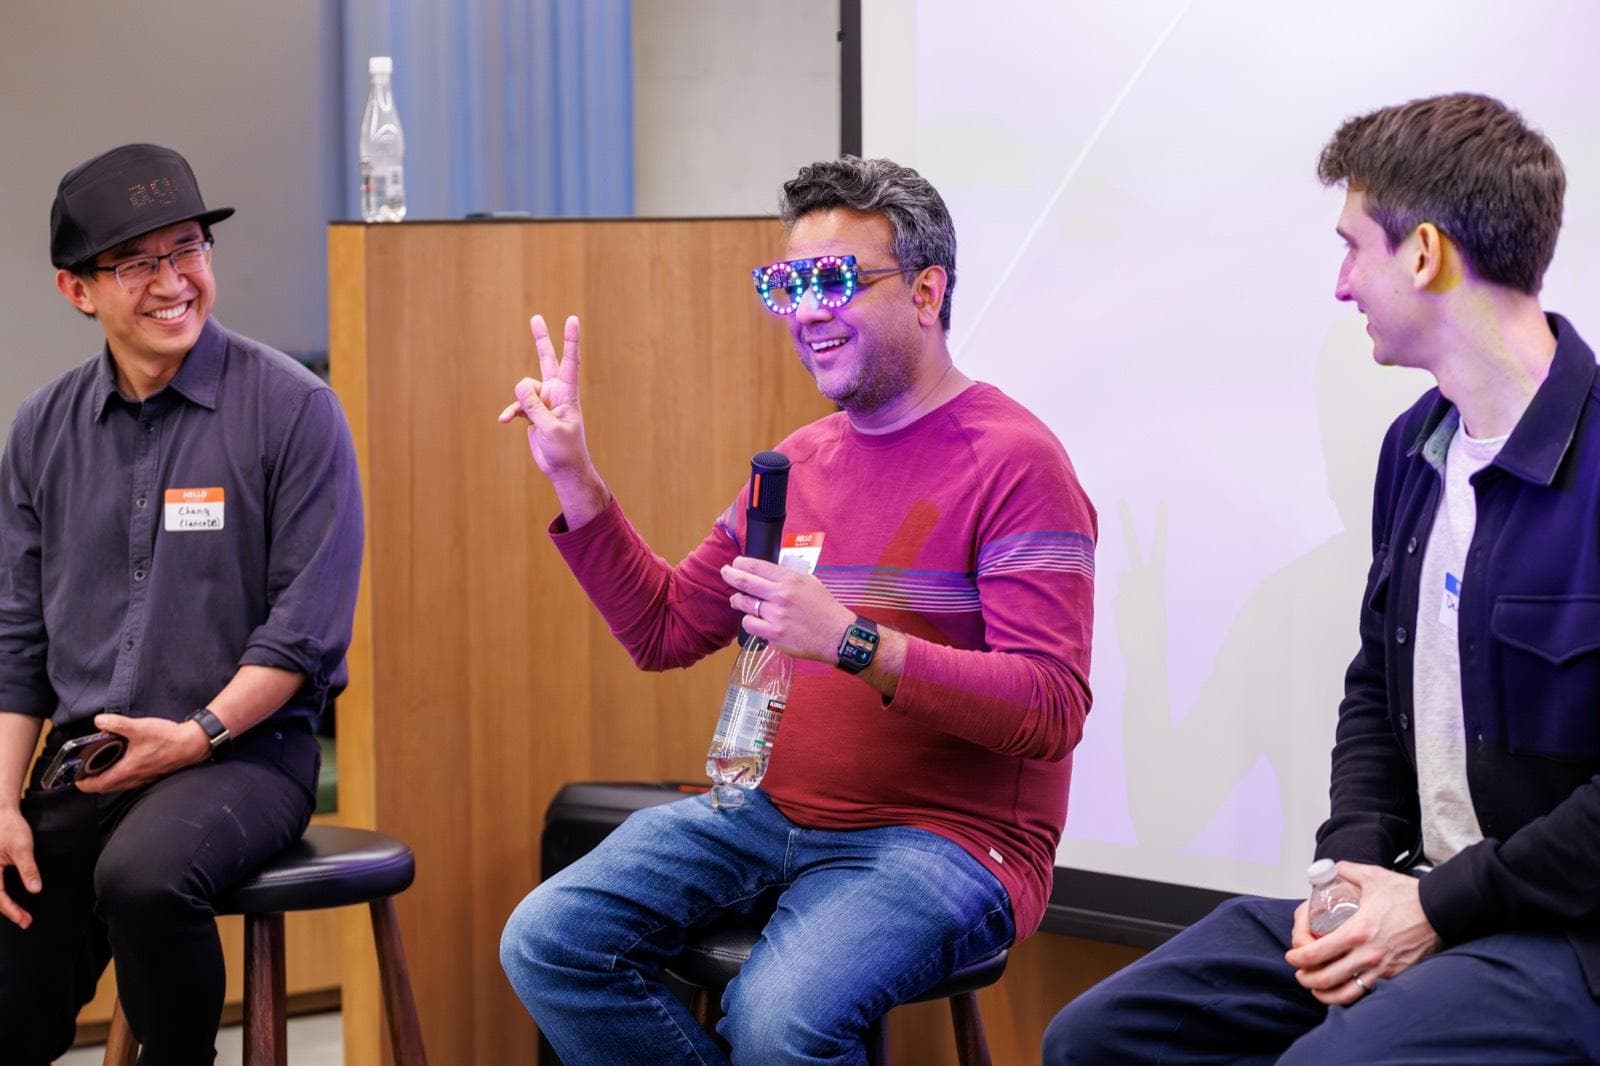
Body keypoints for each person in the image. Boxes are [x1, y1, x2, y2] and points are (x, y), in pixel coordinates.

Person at [496, 156, 1097, 1063]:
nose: (806, 311)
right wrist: (577, 481)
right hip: (764, 813)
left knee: (779, 1021)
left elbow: (1050, 708)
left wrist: (854, 643)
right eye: (786, 284)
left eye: (835, 281)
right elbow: (665, 628)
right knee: (548, 942)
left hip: (950, 843)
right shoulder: (798, 463)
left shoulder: (1016, 464)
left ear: (927, 291)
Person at [1043, 92, 1600, 1063]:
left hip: (1562, 933)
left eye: (1353, 247)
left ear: (1422, 253)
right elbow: (1374, 689)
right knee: (1099, 1038)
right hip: (1419, 893)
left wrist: (1432, 905)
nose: (1341, 284)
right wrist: (1351, 869)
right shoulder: (1413, 448)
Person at [0, 143, 364, 1066]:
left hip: (243, 754)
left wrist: (197, 733)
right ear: (77, 290)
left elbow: (304, 632)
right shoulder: (43, 430)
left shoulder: (293, 410)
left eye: (187, 249)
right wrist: (2, 802)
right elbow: (17, 642)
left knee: (145, 879)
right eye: (136, 263)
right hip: (89, 759)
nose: (172, 282)